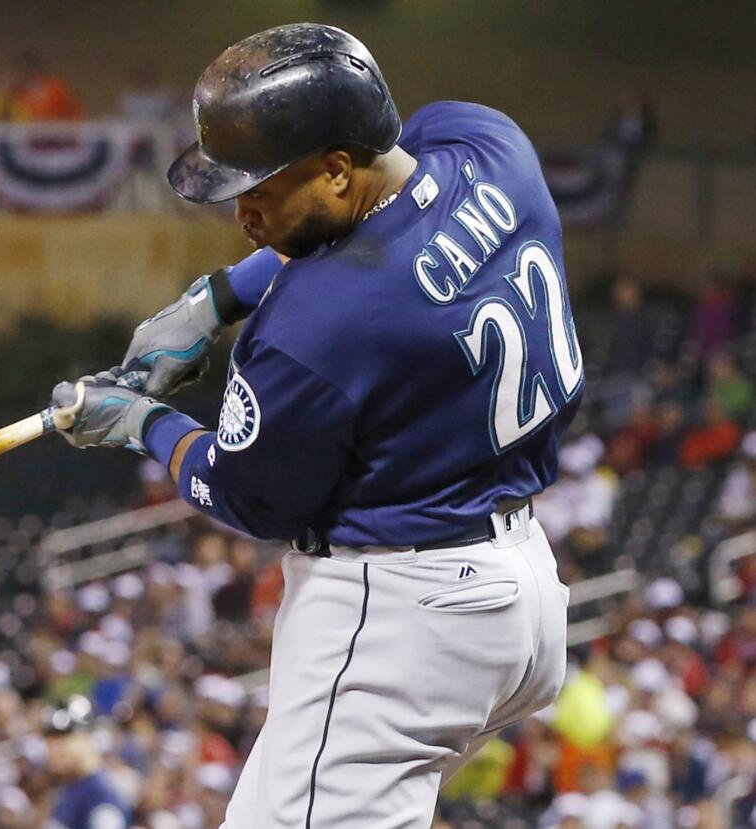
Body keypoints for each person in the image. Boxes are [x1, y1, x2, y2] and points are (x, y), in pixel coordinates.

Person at [49, 23, 576, 828]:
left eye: (258, 190)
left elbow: (250, 497)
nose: (243, 214)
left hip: (403, 618)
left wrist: (144, 423)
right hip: (520, 599)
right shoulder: (488, 143)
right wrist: (222, 296)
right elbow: (392, 202)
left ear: (336, 168)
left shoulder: (313, 329)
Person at [43, 695, 131, 829]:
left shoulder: (101, 796)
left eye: (63, 739)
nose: (53, 749)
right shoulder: (72, 787)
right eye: (50, 741)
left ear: (88, 739)